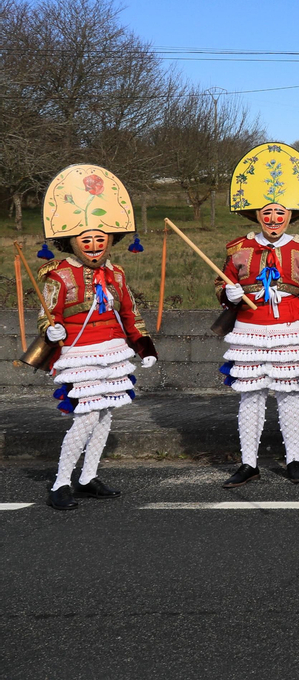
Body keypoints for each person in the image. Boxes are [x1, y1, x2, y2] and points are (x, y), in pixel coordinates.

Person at [29, 165, 157, 510]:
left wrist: (144, 346)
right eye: (86, 240)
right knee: (85, 417)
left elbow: (130, 313)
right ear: (72, 242)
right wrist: (50, 329)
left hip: (113, 352)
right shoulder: (58, 274)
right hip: (79, 355)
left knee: (105, 415)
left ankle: (87, 478)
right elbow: (48, 314)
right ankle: (60, 483)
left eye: (101, 239)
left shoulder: (116, 273)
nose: (94, 246)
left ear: (110, 241)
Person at [215, 142, 299, 489]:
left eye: (280, 214)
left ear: (290, 215)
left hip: (289, 330)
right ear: (256, 215)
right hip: (249, 330)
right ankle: (249, 463)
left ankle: (294, 459)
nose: (274, 220)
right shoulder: (237, 248)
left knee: (290, 394)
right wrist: (228, 294)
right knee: (251, 396)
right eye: (268, 213)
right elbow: (222, 287)